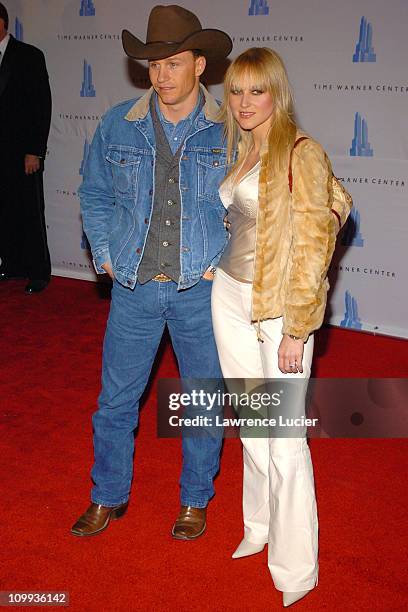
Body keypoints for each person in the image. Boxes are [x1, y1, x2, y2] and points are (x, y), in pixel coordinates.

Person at [72, 5, 232, 540]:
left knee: (203, 400)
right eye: (153, 63)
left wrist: (223, 263)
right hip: (134, 286)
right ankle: (106, 495)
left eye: (174, 62)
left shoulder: (229, 130)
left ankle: (194, 499)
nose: (161, 73)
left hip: (199, 292)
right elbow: (94, 193)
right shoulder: (118, 122)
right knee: (115, 400)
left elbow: (252, 210)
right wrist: (106, 252)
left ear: (200, 65)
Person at [211, 48, 338, 607]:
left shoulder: (301, 153)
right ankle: (257, 526)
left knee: (284, 440)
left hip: (281, 309)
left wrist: (299, 326)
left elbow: (313, 244)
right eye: (235, 91)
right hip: (230, 298)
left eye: (255, 91)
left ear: (276, 93)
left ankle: (295, 570)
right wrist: (224, 262)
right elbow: (247, 220)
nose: (242, 102)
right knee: (253, 427)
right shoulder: (241, 148)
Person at [0, 2, 52, 293]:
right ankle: (10, 264)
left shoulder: (30, 56)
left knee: (31, 211)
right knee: (3, 211)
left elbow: (42, 105)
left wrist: (35, 150)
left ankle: (38, 271)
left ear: (2, 22)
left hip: (23, 153)